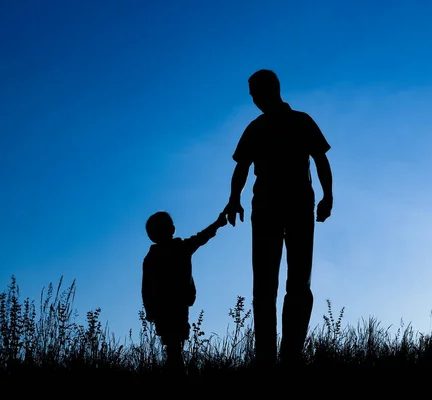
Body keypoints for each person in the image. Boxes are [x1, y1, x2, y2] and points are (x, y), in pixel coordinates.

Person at [223, 69, 333, 368]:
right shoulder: (257, 127)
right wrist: (234, 199)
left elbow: (321, 159)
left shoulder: (300, 121)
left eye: (255, 93)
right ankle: (268, 357)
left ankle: (290, 354)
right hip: (268, 209)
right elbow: (242, 167)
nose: (254, 100)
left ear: (271, 89)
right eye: (252, 95)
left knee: (295, 282)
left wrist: (328, 196)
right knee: (266, 284)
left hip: (296, 207)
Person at [142, 210, 228, 375]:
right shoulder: (180, 248)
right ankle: (177, 374)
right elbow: (202, 237)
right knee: (175, 344)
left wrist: (149, 310)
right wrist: (217, 223)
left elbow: (146, 288)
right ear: (172, 229)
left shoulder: (152, 257)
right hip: (176, 306)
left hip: (163, 308)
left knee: (172, 344)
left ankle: (175, 372)